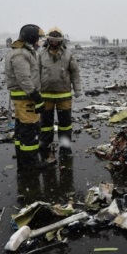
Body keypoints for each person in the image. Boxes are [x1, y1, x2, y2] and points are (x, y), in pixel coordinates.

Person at [5, 24, 47, 171]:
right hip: (26, 99)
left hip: (21, 99)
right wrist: (36, 97)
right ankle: (32, 163)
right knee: (30, 130)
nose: (39, 42)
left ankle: (23, 160)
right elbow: (24, 78)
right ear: (31, 38)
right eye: (38, 39)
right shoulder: (21, 54)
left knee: (21, 130)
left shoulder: (21, 51)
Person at [38, 26, 81, 161]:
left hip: (64, 96)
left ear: (61, 41)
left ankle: (65, 148)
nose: (54, 42)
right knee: (45, 125)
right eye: (52, 40)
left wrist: (77, 88)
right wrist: (34, 91)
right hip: (45, 96)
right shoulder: (41, 54)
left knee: (65, 124)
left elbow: (75, 72)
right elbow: (35, 73)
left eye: (57, 40)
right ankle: (45, 146)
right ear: (48, 40)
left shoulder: (68, 54)